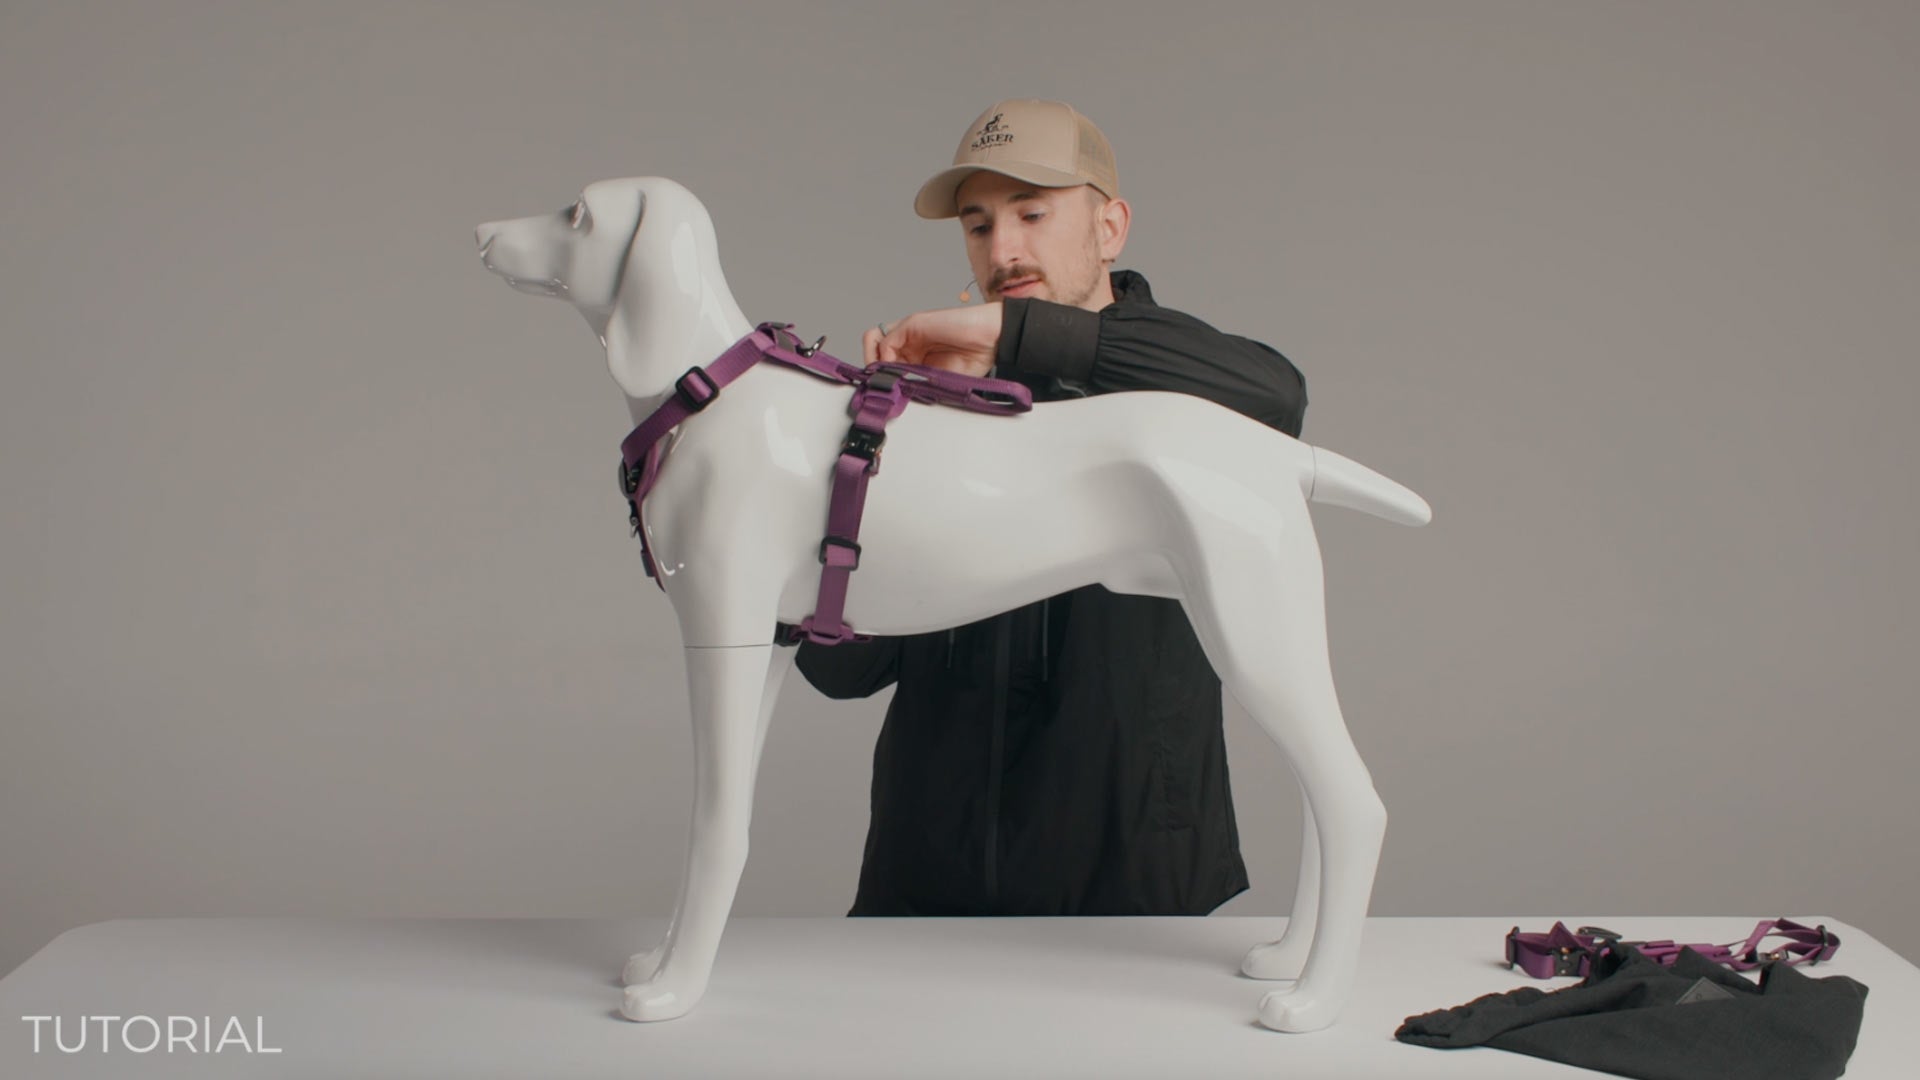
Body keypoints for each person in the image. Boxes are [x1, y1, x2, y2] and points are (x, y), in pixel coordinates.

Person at [793, 99, 1308, 916]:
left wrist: (1020, 336)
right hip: (925, 879)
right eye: (978, 225)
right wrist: (866, 467)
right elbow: (841, 670)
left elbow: (1278, 394)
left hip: (1132, 879)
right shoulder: (930, 401)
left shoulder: (1184, 383)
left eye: (1032, 213)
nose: (1003, 249)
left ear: (1110, 228)